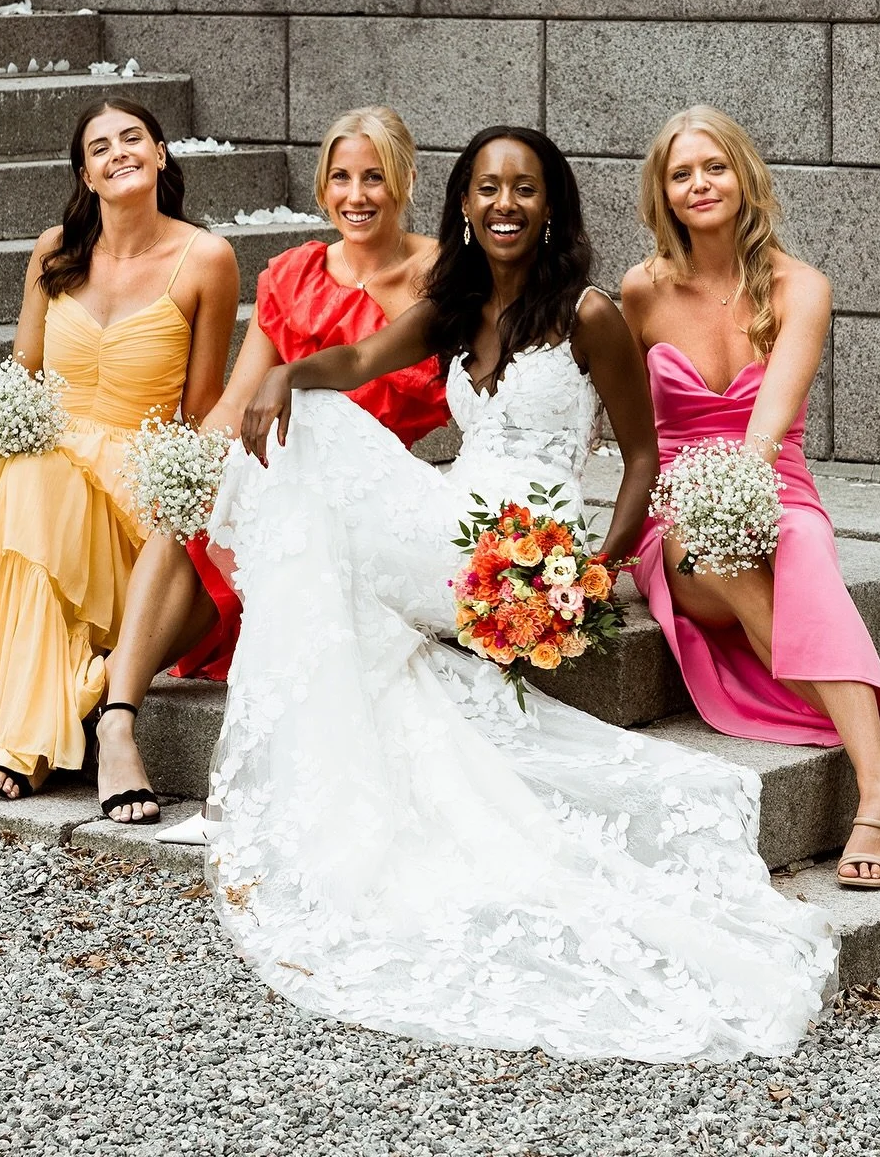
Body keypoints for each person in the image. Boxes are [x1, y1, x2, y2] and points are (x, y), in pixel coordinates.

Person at [197, 125, 836, 1063]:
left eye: (525, 189)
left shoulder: (587, 314)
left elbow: (642, 455)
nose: (505, 204)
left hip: (530, 545)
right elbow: (358, 365)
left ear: (550, 208)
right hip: (455, 519)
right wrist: (288, 371)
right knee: (316, 418)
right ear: (463, 204)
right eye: (489, 188)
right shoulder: (453, 307)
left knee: (331, 529)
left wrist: (597, 567)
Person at [622, 106, 880, 891]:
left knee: (799, 547)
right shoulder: (641, 291)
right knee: (713, 542)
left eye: (715, 167)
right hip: (679, 520)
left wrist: (738, 501)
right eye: (681, 173)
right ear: (663, 193)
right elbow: (631, 431)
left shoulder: (802, 287)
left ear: (744, 176)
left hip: (773, 484)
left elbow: (765, 436)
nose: (700, 184)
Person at [0, 100, 238, 803]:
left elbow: (201, 406)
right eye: (100, 147)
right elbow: (25, 374)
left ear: (161, 154)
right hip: (46, 465)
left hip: (131, 480)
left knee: (37, 478)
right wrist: (3, 430)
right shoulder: (54, 249)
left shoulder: (206, 258)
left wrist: (188, 491)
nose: (119, 152)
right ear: (86, 175)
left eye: (133, 138)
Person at [94, 107, 449, 825]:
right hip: (279, 481)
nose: (356, 195)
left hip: (373, 499)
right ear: (322, 187)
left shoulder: (442, 277)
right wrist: (190, 473)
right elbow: (233, 405)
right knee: (193, 512)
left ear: (406, 180)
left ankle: (100, 688)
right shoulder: (293, 275)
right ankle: (117, 724)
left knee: (252, 544)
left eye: (374, 177)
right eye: (341, 178)